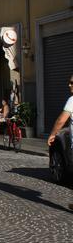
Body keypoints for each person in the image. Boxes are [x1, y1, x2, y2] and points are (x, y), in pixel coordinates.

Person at [48, 75, 73, 211]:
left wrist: (52, 134)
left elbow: (61, 120)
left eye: (72, 83)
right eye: (69, 82)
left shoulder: (72, 100)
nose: (69, 85)